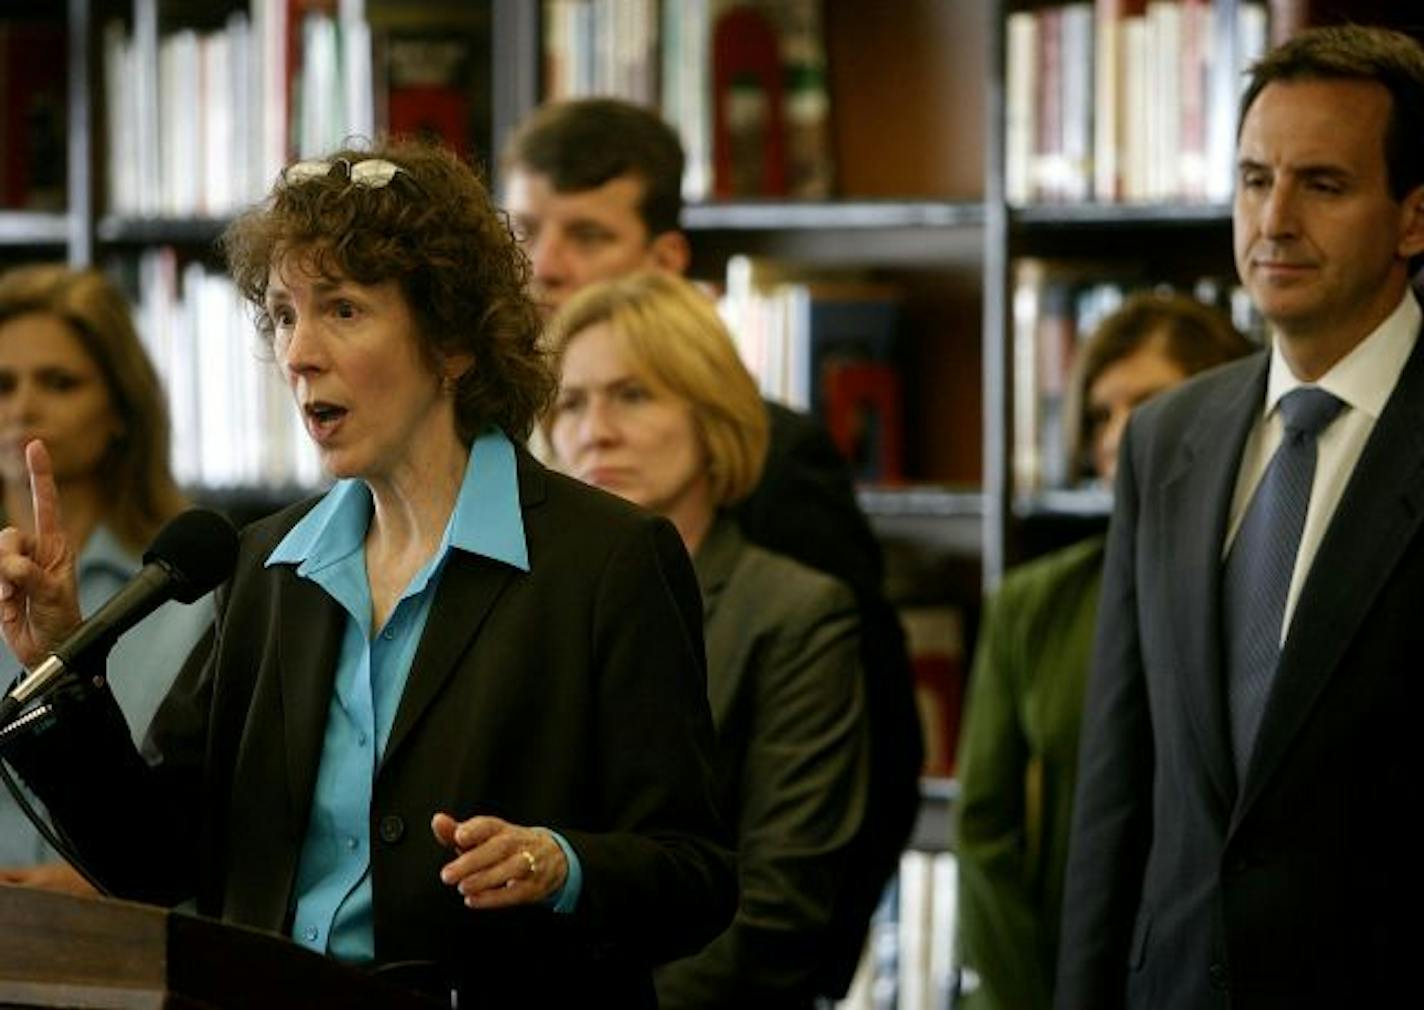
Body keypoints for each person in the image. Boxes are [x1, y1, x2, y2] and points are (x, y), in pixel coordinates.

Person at [0, 141, 736, 1006]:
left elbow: (696, 878)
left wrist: (561, 862)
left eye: (343, 310)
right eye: (281, 315)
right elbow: (155, 862)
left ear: (454, 340)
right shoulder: (269, 567)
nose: (299, 353)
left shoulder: (606, 561)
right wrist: (60, 659)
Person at [503, 98, 921, 996]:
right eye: (571, 404)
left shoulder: (787, 554)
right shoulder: (530, 552)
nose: (543, 266)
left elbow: (856, 780)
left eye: (635, 398)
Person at [1055, 25, 1424, 1009]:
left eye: (1322, 184)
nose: (1274, 219)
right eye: (1253, 179)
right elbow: (1116, 785)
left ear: (1412, 218)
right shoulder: (1163, 437)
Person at [542, 270, 870, 1009]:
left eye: (633, 395)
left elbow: (777, 912)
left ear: (710, 414)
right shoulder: (530, 601)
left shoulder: (795, 613)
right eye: (570, 403)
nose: (595, 431)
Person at [954, 292, 1253, 1010]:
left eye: (1147, 403)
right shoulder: (1033, 602)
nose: (1123, 434)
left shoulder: (1257, 586)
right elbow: (983, 833)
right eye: (1101, 414)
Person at [0, 264, 213, 895]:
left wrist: (99, 882)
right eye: (3, 383)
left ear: (122, 409)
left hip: (136, 939)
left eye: (59, 383)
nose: (23, 406)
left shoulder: (192, 586)